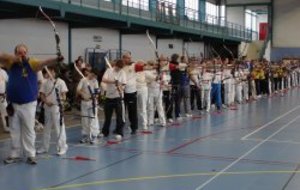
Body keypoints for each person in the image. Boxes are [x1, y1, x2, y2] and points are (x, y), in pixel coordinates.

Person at [0, 43, 63, 165]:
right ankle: (15, 154)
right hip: (13, 103)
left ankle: (31, 155)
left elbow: (44, 62)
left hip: (28, 104)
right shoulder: (10, 63)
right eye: (19, 52)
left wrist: (56, 59)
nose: (22, 55)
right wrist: (13, 58)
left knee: (29, 129)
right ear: (15, 54)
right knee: (14, 129)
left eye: (24, 52)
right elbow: (1, 56)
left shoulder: (32, 63)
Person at [37, 66, 68, 155]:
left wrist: (61, 103)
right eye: (45, 73)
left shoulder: (61, 82)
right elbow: (42, 94)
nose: (46, 74)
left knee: (59, 127)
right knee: (46, 128)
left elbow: (64, 95)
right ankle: (44, 147)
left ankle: (62, 147)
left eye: (47, 72)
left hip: (57, 108)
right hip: (47, 107)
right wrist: (46, 101)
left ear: (53, 71)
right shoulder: (45, 83)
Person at [101, 59, 126, 140]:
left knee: (119, 116)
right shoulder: (109, 70)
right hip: (108, 97)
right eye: (117, 67)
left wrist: (120, 88)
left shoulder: (122, 72)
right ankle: (105, 132)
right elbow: (103, 80)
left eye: (120, 68)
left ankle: (119, 133)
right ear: (115, 65)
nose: (118, 69)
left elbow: (123, 84)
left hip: (117, 98)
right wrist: (113, 82)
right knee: (107, 116)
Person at [76, 68, 100, 144]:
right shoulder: (83, 80)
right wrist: (83, 94)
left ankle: (94, 136)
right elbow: (78, 90)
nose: (93, 77)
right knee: (84, 119)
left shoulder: (95, 81)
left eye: (95, 76)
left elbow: (97, 92)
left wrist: (94, 97)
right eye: (92, 75)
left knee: (93, 119)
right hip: (84, 103)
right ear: (90, 73)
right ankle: (85, 135)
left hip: (92, 103)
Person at [122, 53, 138, 134]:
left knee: (132, 110)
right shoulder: (120, 66)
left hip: (131, 91)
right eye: (128, 58)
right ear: (124, 58)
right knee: (121, 110)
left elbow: (144, 66)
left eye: (130, 58)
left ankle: (134, 127)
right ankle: (120, 126)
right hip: (121, 91)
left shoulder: (134, 65)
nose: (130, 59)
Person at [0, 66, 9, 132]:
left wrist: (6, 92)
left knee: (5, 111)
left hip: (2, 95)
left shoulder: (3, 72)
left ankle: (7, 127)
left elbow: (7, 82)